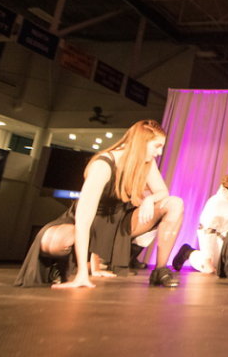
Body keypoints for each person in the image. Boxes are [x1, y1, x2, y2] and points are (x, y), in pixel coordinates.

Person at [15, 119, 185, 289]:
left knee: (175, 204)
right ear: (141, 142)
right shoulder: (103, 165)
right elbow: (84, 220)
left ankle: (160, 270)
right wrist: (83, 273)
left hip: (119, 221)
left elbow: (163, 192)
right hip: (88, 220)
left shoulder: (146, 163)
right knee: (51, 242)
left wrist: (150, 199)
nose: (159, 152)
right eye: (157, 146)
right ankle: (62, 265)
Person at [172, 173, 228, 274]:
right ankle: (189, 253)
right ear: (224, 188)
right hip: (217, 238)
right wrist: (207, 262)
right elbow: (207, 232)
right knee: (214, 267)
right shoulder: (214, 204)